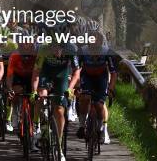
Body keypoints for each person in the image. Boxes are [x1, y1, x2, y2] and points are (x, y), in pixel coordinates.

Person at [31, 30, 80, 161]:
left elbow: (76, 73)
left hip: (61, 75)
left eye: (58, 48)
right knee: (41, 96)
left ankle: (58, 145)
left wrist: (70, 89)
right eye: (53, 47)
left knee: (59, 109)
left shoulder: (71, 48)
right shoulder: (43, 48)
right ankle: (38, 125)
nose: (55, 51)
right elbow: (36, 72)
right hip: (46, 72)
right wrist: (34, 91)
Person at [77, 31, 116, 144]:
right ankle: (81, 126)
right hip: (87, 77)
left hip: (101, 78)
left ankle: (100, 129)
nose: (93, 46)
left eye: (96, 44)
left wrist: (111, 88)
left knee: (99, 105)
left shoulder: (107, 52)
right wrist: (77, 86)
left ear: (100, 43)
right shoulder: (82, 51)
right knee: (84, 98)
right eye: (91, 43)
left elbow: (113, 73)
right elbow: (77, 70)